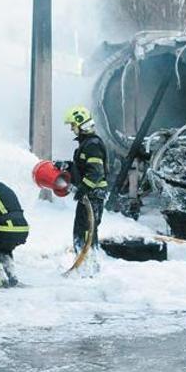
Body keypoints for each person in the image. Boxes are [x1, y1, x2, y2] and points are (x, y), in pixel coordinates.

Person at [55, 105, 109, 260]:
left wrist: (83, 189)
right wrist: (66, 165)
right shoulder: (86, 145)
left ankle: (88, 266)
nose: (72, 129)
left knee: (86, 232)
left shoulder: (92, 145)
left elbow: (96, 172)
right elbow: (82, 169)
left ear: (81, 124)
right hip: (89, 196)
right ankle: (85, 264)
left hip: (93, 195)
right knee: (83, 231)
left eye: (73, 125)